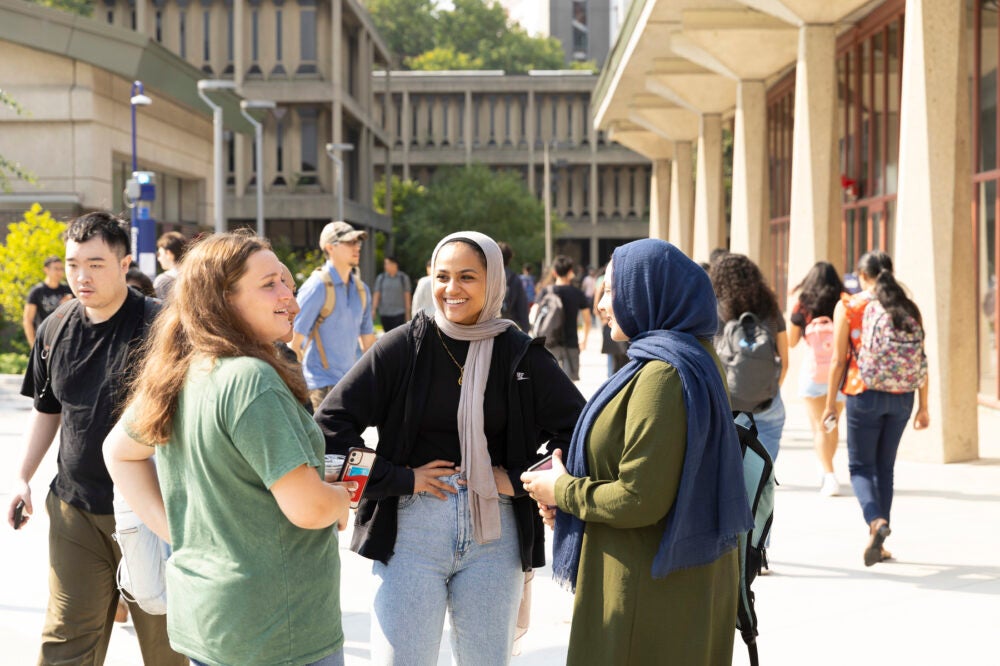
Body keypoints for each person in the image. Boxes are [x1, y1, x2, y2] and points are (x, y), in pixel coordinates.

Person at [313, 231, 585, 666]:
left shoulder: (520, 354)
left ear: (493, 280)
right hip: (410, 532)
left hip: (494, 536)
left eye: (467, 277)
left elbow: (580, 431)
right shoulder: (404, 346)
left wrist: (519, 481)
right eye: (442, 276)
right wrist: (396, 478)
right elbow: (327, 429)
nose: (451, 289)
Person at [103, 231, 355, 666]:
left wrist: (179, 533)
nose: (289, 297)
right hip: (277, 629)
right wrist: (341, 499)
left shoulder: (183, 370)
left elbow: (118, 452)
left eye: (288, 283)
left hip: (212, 618)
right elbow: (309, 509)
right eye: (269, 284)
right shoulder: (250, 381)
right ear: (222, 298)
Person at [521, 239, 753, 666]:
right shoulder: (685, 357)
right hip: (666, 581)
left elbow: (639, 497)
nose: (601, 303)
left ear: (650, 292)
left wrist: (564, 491)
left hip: (645, 594)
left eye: (612, 290)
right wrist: (571, 500)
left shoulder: (663, 374)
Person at [8, 212, 184, 666]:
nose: (81, 277)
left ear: (125, 264)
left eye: (96, 264)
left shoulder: (163, 328)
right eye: (72, 264)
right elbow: (48, 409)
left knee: (169, 646)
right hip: (76, 510)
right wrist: (22, 478)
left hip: (155, 509)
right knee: (67, 639)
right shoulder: (54, 328)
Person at [822, 251, 930, 567]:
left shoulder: (850, 306)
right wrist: (924, 406)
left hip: (863, 391)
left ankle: (875, 522)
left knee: (859, 467)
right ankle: (880, 542)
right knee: (885, 467)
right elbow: (921, 357)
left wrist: (830, 404)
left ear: (862, 275)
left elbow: (838, 360)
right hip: (902, 395)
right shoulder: (907, 307)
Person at [710, 253, 789, 464]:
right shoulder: (770, 310)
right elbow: (784, 360)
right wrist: (765, 388)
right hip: (767, 404)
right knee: (761, 482)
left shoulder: (712, 310)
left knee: (730, 482)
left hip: (726, 405)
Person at [291, 220, 375, 410]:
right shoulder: (317, 286)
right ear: (330, 248)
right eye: (350, 242)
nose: (357, 247)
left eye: (358, 242)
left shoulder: (362, 290)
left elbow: (368, 344)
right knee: (322, 441)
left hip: (350, 385)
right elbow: (293, 342)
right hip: (320, 387)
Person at [789, 262, 847, 496]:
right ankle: (828, 470)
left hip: (813, 373)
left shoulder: (803, 305)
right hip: (840, 373)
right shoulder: (844, 300)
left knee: (818, 427)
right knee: (831, 423)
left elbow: (792, 341)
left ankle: (829, 475)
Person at [544, 255, 592, 381]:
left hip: (550, 343)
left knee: (549, 382)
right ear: (570, 272)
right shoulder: (577, 293)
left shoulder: (546, 292)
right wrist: (584, 341)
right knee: (569, 386)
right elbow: (587, 320)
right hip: (571, 343)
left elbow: (535, 315)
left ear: (554, 272)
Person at [21, 255, 73, 347]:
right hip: (46, 340)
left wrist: (68, 305)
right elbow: (27, 320)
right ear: (46, 270)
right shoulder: (37, 291)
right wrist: (34, 346)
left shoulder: (68, 290)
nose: (60, 272)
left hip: (66, 340)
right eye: (56, 269)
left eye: (61, 269)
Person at [372, 255, 412, 332]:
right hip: (384, 313)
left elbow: (407, 296)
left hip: (399, 313)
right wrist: (373, 309)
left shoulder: (403, 278)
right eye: (385, 264)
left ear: (395, 264)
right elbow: (377, 294)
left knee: (397, 336)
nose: (385, 266)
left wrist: (407, 313)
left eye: (387, 264)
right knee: (387, 336)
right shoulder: (381, 278)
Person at [498, 241, 530, 331]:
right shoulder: (514, 279)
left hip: (487, 328)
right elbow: (522, 307)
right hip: (509, 327)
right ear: (510, 258)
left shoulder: (485, 276)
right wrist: (525, 330)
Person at [153, 231, 187, 299]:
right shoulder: (195, 276)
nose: (158, 259)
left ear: (169, 253)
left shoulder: (163, 281)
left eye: (159, 254)